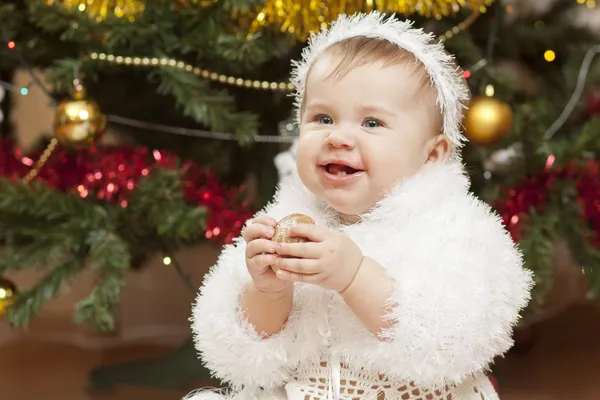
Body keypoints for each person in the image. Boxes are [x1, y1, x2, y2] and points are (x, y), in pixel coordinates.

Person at [186, 11, 533, 400]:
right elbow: (248, 352)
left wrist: (353, 276)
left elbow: (448, 338)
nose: (339, 137)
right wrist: (269, 291)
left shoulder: (454, 231)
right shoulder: (285, 218)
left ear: (432, 154)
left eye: (371, 123)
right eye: (323, 117)